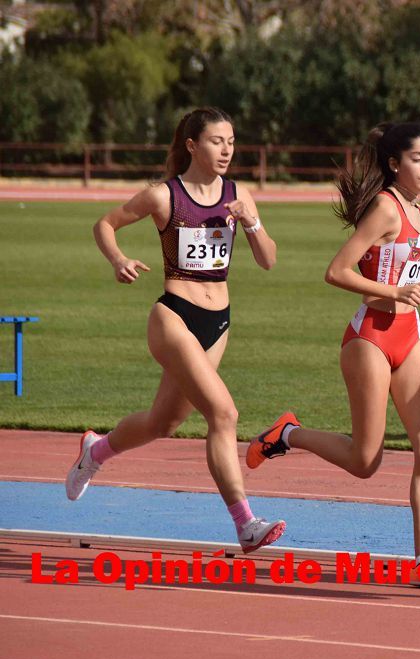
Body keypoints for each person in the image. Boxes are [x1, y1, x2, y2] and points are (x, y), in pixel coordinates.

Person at [246, 122, 420, 589]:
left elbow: (407, 271)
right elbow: (338, 270)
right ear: (394, 163)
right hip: (369, 339)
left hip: (410, 337)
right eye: (417, 159)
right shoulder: (385, 209)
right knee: (365, 461)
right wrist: (395, 290)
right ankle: (289, 434)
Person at [65, 107, 286, 553]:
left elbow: (268, 259)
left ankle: (95, 450)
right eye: (216, 141)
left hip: (218, 321)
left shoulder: (238, 193)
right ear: (192, 145)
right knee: (223, 414)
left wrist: (252, 221)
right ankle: (245, 523)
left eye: (231, 141)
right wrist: (119, 259)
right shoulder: (163, 196)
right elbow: (104, 224)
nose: (226, 150)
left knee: (164, 421)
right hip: (174, 316)